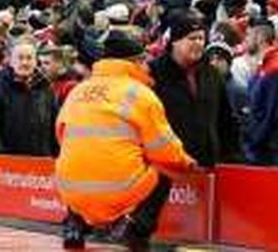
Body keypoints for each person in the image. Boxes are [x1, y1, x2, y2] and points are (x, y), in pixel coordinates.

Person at [56, 30, 196, 250]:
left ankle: (74, 224)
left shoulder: (78, 90)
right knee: (164, 169)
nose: (148, 66)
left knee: (84, 157)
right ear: (136, 62)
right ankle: (134, 227)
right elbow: (164, 150)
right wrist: (186, 163)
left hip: (71, 190)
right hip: (117, 191)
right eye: (144, 60)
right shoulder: (140, 95)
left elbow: (62, 136)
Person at [150, 9, 241, 167]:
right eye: (192, 38)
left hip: (206, 165)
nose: (198, 43)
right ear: (175, 41)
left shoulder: (212, 74)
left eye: (201, 38)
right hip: (167, 167)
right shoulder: (154, 74)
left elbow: (225, 121)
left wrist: (231, 158)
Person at [0, 38, 58, 156]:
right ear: (11, 61)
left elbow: (54, 127)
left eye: (29, 58)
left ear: (36, 61)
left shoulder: (46, 89)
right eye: (20, 58)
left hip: (41, 163)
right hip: (9, 165)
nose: (25, 63)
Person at [244, 18, 278, 166]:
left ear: (260, 38)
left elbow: (270, 115)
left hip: (268, 150)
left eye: (248, 35)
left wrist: (253, 142)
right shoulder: (266, 65)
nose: (245, 40)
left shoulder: (276, 68)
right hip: (262, 146)